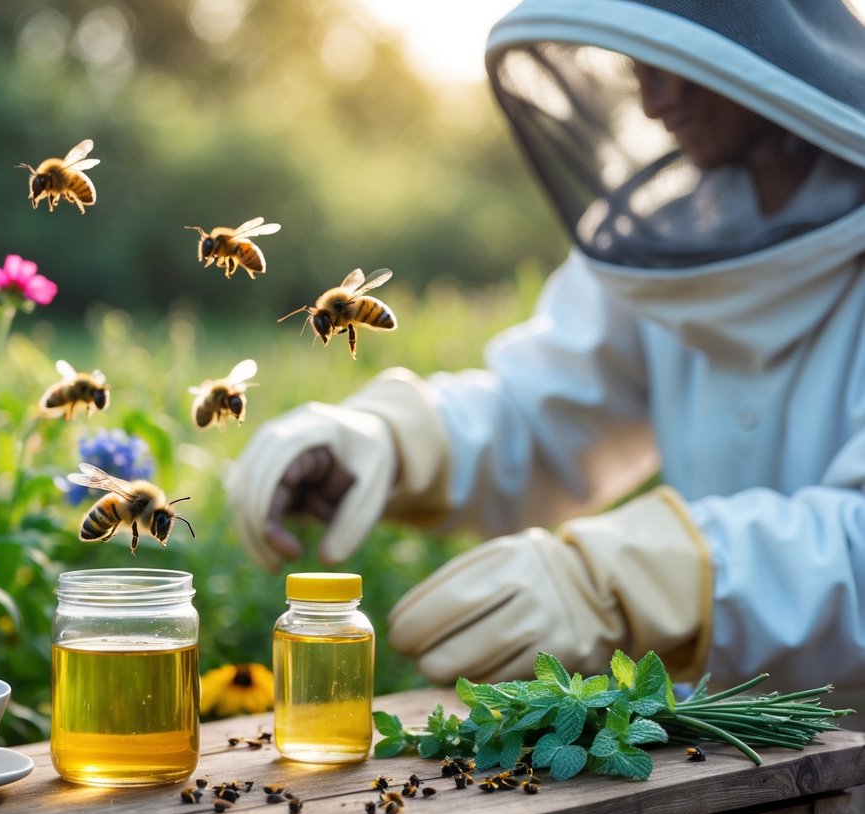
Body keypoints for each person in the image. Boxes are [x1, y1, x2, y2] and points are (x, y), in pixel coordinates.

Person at [226, 0, 865, 713]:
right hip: (715, 744)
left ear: (770, 42)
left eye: (678, 62)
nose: (652, 102)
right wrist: (396, 440)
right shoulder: (667, 240)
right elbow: (547, 414)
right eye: (637, 66)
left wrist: (633, 581)